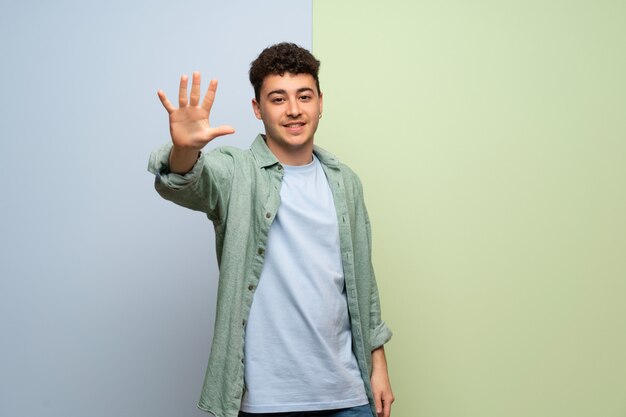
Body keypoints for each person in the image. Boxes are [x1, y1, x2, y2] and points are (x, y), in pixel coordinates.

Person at [148, 43, 393, 417]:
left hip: (347, 396)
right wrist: (183, 150)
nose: (294, 110)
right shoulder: (236, 173)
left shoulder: (346, 183)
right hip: (268, 401)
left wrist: (379, 367)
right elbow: (185, 180)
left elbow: (363, 283)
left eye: (304, 96)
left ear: (320, 102)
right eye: (278, 99)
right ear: (257, 109)